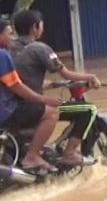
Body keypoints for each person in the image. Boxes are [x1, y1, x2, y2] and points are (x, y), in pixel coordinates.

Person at [10, 9, 100, 167]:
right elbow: (67, 74)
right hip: (28, 106)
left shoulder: (9, 49)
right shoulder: (39, 48)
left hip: (9, 105)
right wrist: (90, 77)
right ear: (34, 27)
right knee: (88, 109)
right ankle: (69, 153)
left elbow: (23, 81)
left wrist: (54, 84)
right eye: (41, 25)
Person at [0, 17, 62, 175]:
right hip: (5, 110)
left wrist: (47, 85)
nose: (12, 37)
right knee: (52, 113)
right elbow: (16, 86)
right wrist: (45, 99)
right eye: (9, 33)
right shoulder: (2, 55)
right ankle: (32, 156)